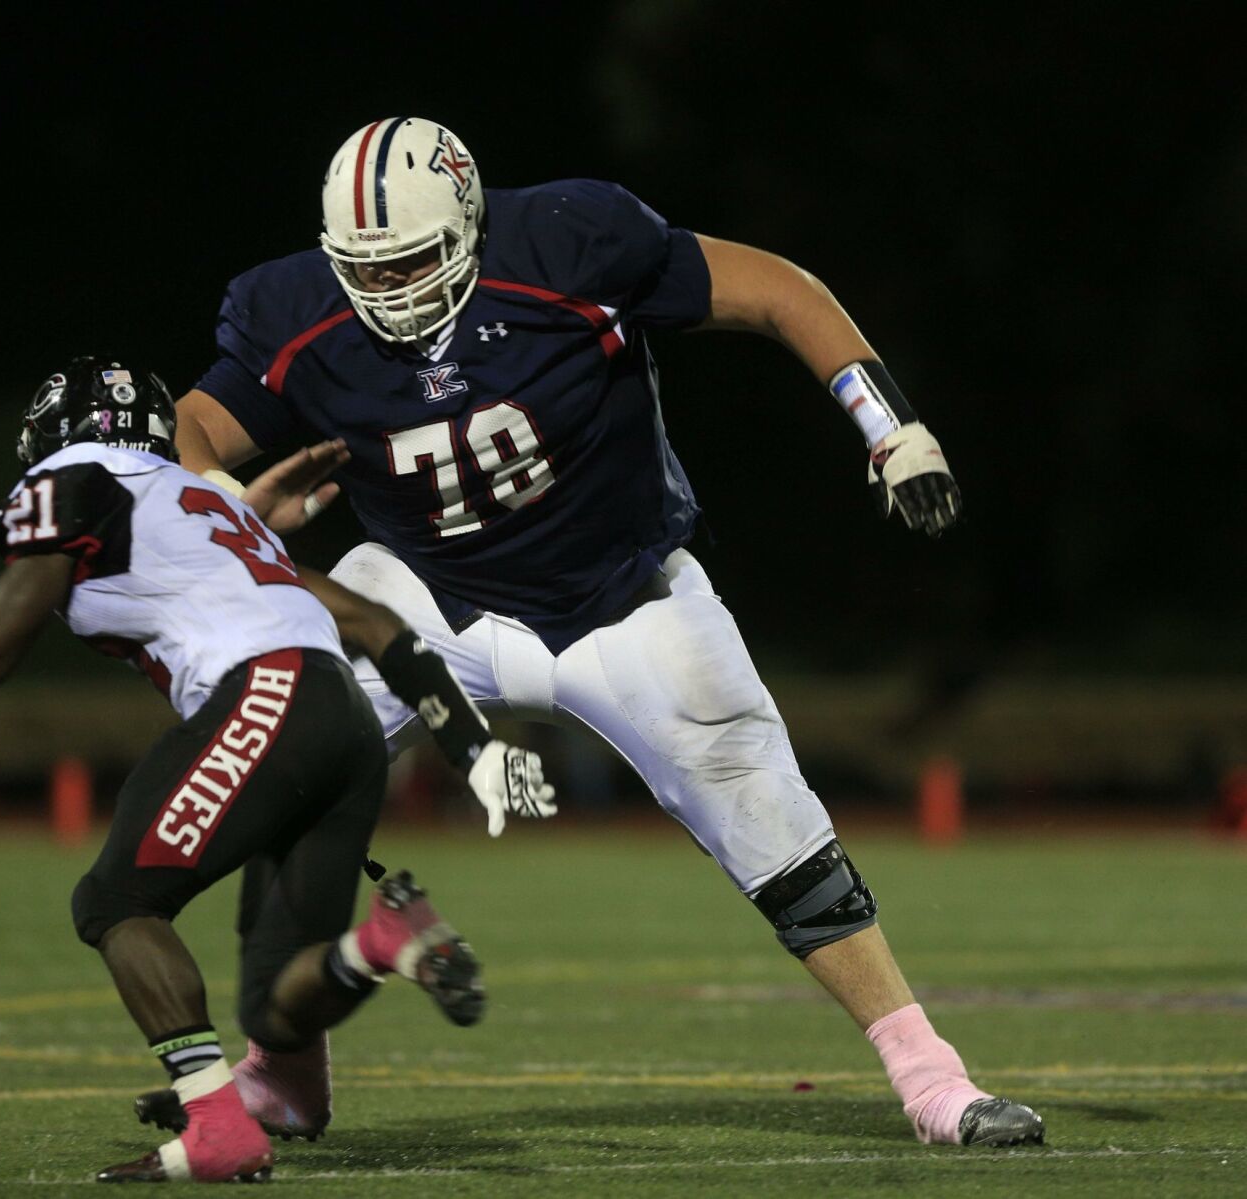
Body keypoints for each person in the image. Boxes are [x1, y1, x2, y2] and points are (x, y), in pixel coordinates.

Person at [171, 117, 1044, 1149]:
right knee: (274, 761)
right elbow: (196, 425)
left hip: (618, 595)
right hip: (423, 593)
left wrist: (888, 426)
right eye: (368, 266)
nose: (392, 287)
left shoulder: (569, 244)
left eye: (411, 258)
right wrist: (223, 495)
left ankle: (930, 1075)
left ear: (465, 224)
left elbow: (779, 291)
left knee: (771, 818)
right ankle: (286, 1070)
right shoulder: (295, 312)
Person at [0, 356, 557, 1184]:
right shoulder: (204, 505)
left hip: (266, 694)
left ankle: (217, 1127)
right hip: (344, 715)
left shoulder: (76, 478)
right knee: (275, 1004)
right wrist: (470, 746)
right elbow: (375, 622)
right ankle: (384, 941)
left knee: (117, 901)